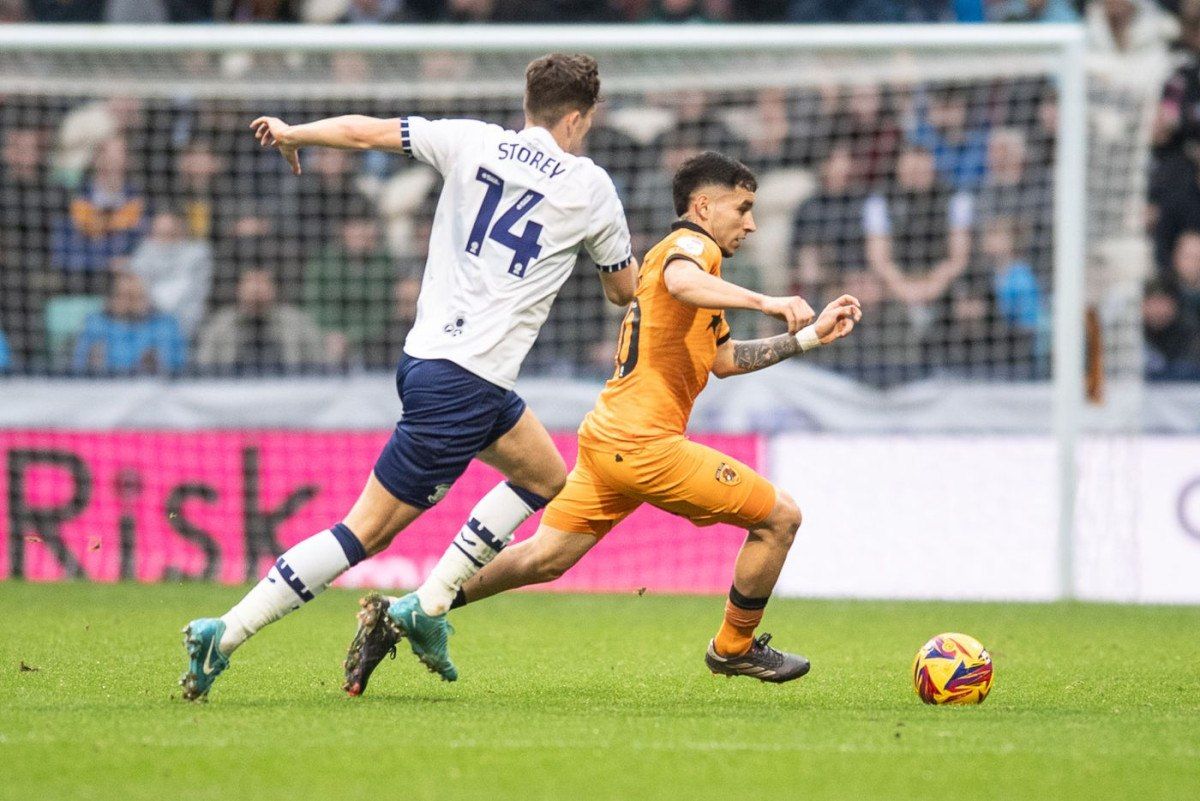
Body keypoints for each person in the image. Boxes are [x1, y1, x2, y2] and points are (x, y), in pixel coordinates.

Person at [180, 53, 640, 700]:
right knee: (362, 532)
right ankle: (225, 632)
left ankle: (429, 603)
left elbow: (365, 131)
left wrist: (293, 132)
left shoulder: (472, 140)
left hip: (430, 363)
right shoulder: (591, 187)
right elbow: (623, 291)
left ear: (526, 104)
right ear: (577, 118)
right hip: (467, 384)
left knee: (544, 475)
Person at [343, 152, 861, 696]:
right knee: (780, 518)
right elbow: (681, 279)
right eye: (743, 207)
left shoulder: (703, 273)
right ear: (704, 206)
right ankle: (733, 646)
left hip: (608, 438)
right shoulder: (692, 248)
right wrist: (768, 300)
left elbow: (725, 361)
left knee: (544, 558)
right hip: (645, 445)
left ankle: (409, 610)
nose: (751, 223)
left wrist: (808, 337)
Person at [195, 268, 331, 373]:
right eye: (250, 282)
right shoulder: (221, 324)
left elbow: (319, 361)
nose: (256, 289)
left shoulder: (297, 322)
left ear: (274, 289)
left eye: (262, 282)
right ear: (238, 289)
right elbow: (203, 365)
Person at [71, 270, 186, 375]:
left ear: (148, 299)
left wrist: (158, 365)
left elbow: (180, 366)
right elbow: (78, 365)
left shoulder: (166, 325)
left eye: (137, 297)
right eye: (124, 296)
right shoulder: (95, 324)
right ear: (111, 299)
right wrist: (93, 365)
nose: (130, 304)